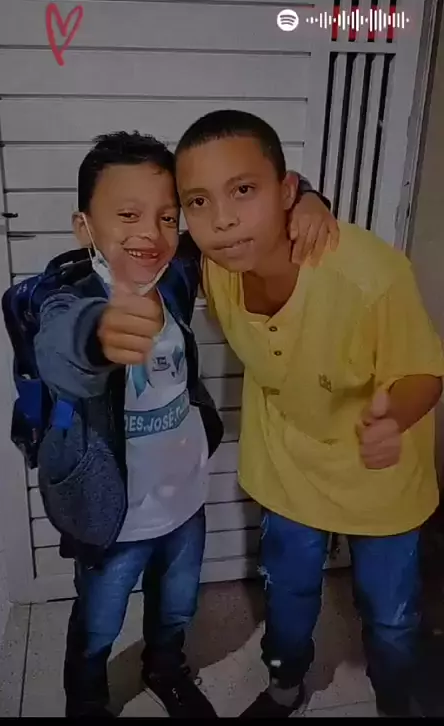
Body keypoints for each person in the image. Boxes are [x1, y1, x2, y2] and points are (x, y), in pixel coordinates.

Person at [33, 130, 335, 718]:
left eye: (168, 217)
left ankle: (165, 669)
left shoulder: (173, 274)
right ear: (84, 227)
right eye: (127, 215)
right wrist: (98, 335)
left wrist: (308, 201)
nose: (150, 233)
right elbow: (60, 345)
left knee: (176, 607)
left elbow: (242, 216)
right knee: (98, 622)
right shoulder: (66, 298)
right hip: (111, 515)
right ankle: (86, 699)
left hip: (183, 501)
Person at [168, 109, 444, 718]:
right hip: (287, 465)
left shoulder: (371, 275)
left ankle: (395, 698)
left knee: (391, 613)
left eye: (244, 190)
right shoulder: (211, 265)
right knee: (287, 594)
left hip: (380, 474)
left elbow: (425, 373)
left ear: (287, 190)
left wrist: (392, 419)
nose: (223, 219)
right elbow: (130, 246)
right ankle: (285, 686)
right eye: (199, 202)